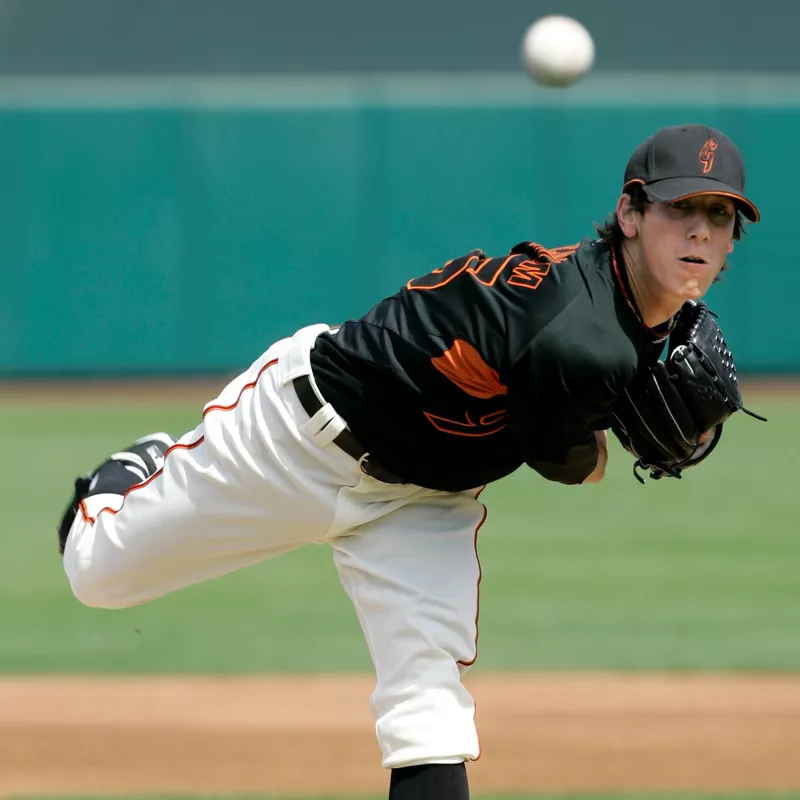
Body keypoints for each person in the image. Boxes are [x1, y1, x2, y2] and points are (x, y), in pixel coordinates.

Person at [58, 123, 759, 800]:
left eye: (720, 215)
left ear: (733, 240)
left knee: (429, 711)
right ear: (629, 214)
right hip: (299, 440)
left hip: (422, 501)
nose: (701, 229)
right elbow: (571, 462)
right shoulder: (582, 334)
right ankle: (143, 464)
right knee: (96, 571)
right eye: (680, 208)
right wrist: (625, 437)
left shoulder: (632, 320)